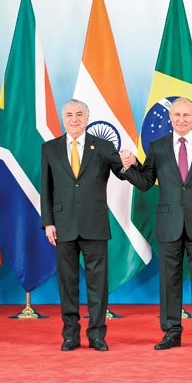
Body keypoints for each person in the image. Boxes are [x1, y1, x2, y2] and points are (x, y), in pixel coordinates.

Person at [120, 97, 192, 351]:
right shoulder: (158, 146)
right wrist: (129, 168)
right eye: (177, 115)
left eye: (186, 115)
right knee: (169, 281)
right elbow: (146, 182)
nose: (181, 120)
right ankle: (171, 331)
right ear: (170, 118)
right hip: (168, 222)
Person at [41, 99, 125, 351]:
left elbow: (121, 171)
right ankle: (70, 335)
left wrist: (129, 161)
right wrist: (48, 223)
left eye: (79, 114)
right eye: (69, 115)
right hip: (62, 225)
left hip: (94, 224)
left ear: (87, 118)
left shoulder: (102, 146)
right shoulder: (50, 148)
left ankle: (97, 334)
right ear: (62, 118)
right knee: (67, 284)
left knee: (97, 284)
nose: (74, 119)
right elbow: (46, 188)